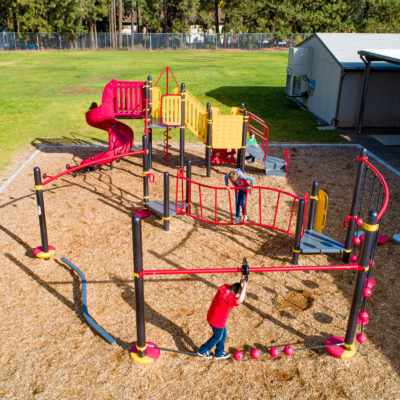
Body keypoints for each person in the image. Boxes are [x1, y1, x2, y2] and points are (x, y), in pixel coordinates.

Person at [197, 276, 248, 359]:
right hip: (217, 322)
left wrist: (242, 281)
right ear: (234, 293)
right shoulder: (227, 299)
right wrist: (245, 287)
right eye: (236, 295)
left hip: (212, 316)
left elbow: (237, 289)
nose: (236, 297)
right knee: (217, 337)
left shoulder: (224, 288)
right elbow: (240, 300)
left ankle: (219, 353)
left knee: (223, 334)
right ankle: (202, 350)